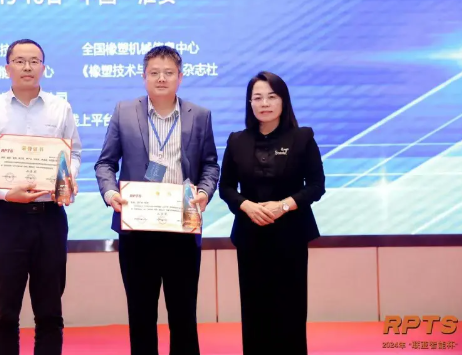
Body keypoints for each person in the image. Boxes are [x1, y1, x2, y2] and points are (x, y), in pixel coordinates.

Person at [94, 46, 220, 355]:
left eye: (168, 73)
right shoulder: (124, 111)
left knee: (183, 315)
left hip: (182, 226)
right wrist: (110, 193)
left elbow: (210, 165)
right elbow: (105, 163)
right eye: (154, 72)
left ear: (180, 77)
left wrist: (204, 192)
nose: (161, 78)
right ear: (144, 77)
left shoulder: (199, 116)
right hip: (137, 228)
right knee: (141, 315)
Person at [0, 39, 81, 355]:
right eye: (19, 61)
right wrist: (5, 193)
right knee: (5, 313)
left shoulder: (60, 108)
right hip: (6, 217)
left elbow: (74, 153)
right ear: (8, 68)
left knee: (50, 312)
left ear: (44, 67)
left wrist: (66, 178)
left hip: (50, 217)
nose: (27, 67)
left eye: (34, 61)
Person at [218, 71, 326, 354]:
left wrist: (284, 205)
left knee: (290, 311)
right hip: (250, 236)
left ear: (283, 101)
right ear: (250, 103)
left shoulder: (302, 137)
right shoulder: (237, 140)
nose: (264, 103)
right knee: (254, 311)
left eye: (271, 96)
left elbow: (317, 186)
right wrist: (246, 205)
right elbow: (226, 187)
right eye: (257, 98)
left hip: (291, 236)